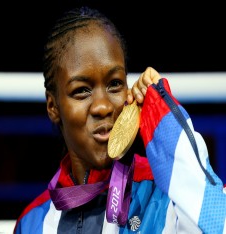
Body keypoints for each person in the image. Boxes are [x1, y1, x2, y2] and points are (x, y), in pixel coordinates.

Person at [13, 6, 226, 234]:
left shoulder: (165, 194)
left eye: (114, 84)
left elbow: (218, 224)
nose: (103, 106)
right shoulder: (32, 222)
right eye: (82, 90)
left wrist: (170, 133)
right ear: (53, 106)